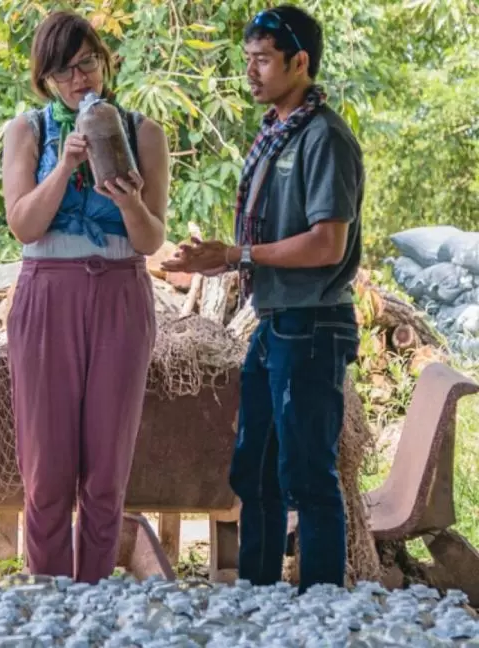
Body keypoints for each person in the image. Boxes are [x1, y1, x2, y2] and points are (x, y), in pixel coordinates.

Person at [161, 5, 363, 593]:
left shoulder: (324, 137)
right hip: (274, 322)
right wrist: (217, 255)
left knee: (308, 475)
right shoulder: (279, 132)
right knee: (255, 471)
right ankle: (258, 596)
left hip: (313, 322)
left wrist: (237, 256)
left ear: (300, 62)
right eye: (246, 60)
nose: (250, 73)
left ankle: (322, 604)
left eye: (263, 61)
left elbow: (328, 243)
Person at [0, 10, 170, 584]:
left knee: (106, 464)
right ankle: (48, 592)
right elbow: (23, 225)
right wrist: (67, 163)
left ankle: (94, 595)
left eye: (87, 63)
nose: (80, 80)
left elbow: (150, 239)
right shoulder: (26, 131)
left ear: (104, 61)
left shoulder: (144, 131)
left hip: (121, 290)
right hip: (48, 291)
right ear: (44, 80)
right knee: (47, 466)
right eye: (64, 71)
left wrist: (127, 201)